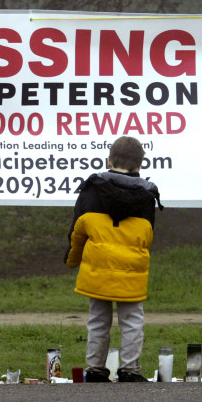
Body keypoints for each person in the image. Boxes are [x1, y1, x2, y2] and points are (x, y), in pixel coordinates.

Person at [64, 136, 162, 383]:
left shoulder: (91, 189)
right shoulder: (146, 194)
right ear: (139, 166)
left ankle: (95, 370)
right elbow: (147, 235)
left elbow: (78, 231)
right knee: (132, 322)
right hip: (131, 273)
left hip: (97, 271)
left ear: (109, 160)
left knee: (98, 321)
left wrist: (72, 260)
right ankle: (130, 370)